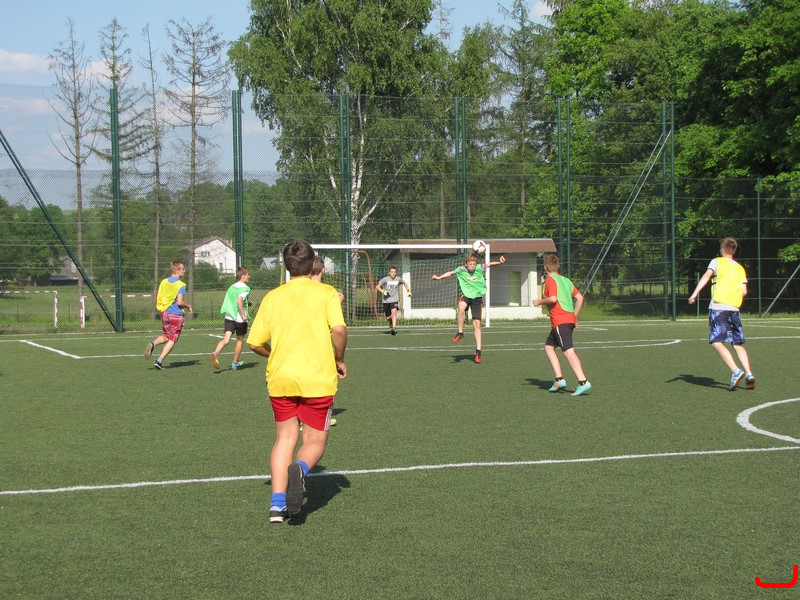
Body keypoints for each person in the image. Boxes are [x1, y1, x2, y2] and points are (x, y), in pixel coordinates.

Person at [248, 240, 347, 524]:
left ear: (287, 266)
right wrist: (340, 359)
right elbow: (339, 330)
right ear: (314, 264)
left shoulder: (273, 297)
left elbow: (255, 343)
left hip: (281, 378)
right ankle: (301, 469)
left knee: (284, 439)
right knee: (315, 440)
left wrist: (273, 354)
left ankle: (277, 505)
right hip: (317, 378)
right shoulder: (326, 293)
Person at [688, 236, 755, 391]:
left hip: (719, 307)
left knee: (716, 342)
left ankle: (736, 371)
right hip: (734, 308)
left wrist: (694, 294)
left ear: (723, 250)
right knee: (737, 343)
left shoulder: (717, 261)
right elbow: (744, 291)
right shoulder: (740, 268)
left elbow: (706, 276)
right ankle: (749, 374)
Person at [533, 254, 591, 396]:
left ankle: (583, 382)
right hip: (566, 320)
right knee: (549, 347)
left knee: (568, 351)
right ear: (558, 266)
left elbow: (553, 299)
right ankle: (559, 379)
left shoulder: (550, 280)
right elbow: (580, 298)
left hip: (560, 320)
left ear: (545, 267)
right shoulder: (566, 280)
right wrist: (574, 316)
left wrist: (539, 301)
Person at [431, 251, 506, 364]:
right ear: (466, 264)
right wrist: (439, 277)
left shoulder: (479, 268)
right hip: (466, 296)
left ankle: (478, 351)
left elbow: (489, 264)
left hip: (477, 298)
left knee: (477, 325)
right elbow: (450, 273)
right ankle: (460, 332)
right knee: (461, 307)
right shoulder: (461, 269)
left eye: (474, 264)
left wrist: (500, 262)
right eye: (470, 264)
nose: (472, 266)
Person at [144, 260, 193, 370]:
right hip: (176, 315)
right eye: (183, 269)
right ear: (177, 271)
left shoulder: (164, 282)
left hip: (165, 313)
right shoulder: (181, 284)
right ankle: (159, 361)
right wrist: (188, 306)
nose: (184, 271)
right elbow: (180, 302)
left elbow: (160, 296)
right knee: (172, 339)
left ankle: (153, 344)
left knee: (166, 336)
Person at [211, 266, 251, 371]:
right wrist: (243, 314)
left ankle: (216, 353)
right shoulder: (245, 288)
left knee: (226, 339)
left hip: (229, 316)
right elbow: (239, 301)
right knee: (239, 340)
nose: (249, 276)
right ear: (243, 277)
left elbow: (234, 300)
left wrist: (247, 303)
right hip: (239, 319)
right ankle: (234, 363)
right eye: (248, 275)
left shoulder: (232, 287)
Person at [376, 266, 411, 335]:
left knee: (394, 312)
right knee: (388, 317)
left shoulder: (398, 279)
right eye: (392, 272)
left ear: (396, 273)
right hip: (386, 301)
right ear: (389, 273)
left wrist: (408, 291)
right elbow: (377, 286)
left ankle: (394, 328)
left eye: (394, 272)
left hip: (394, 300)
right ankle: (391, 322)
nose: (393, 273)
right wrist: (383, 291)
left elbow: (405, 283)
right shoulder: (385, 279)